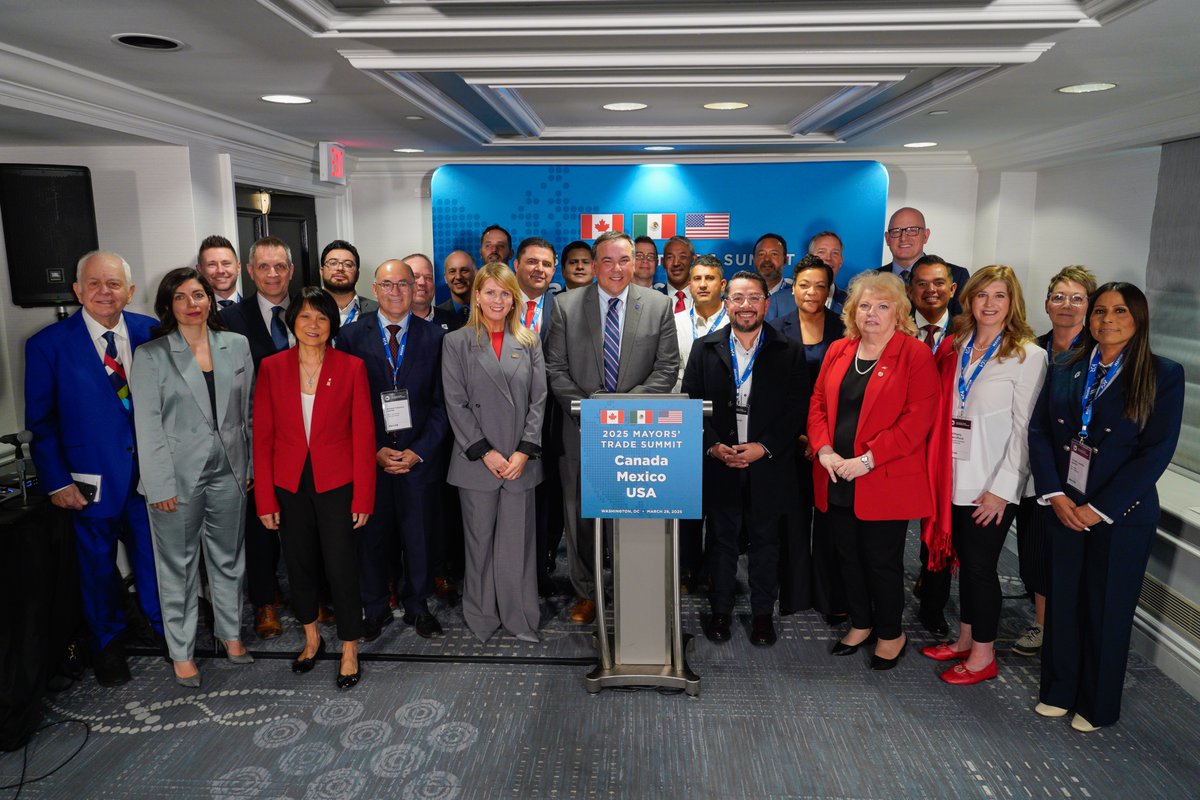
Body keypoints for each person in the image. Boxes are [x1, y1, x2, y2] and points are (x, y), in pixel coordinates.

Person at [1028, 282, 1183, 732]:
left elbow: (1155, 452)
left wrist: (1098, 509)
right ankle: (1058, 691)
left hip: (1121, 514)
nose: (1107, 320)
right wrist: (1055, 494)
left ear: (1138, 318)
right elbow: (1040, 432)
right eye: (1099, 311)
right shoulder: (1066, 365)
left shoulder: (1162, 373)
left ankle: (1095, 705)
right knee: (1063, 603)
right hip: (1063, 505)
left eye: (1119, 311)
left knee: (1106, 608)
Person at [25, 251, 164, 686]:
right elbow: (42, 423)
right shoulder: (47, 345)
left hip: (150, 478)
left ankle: (163, 629)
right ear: (77, 290)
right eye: (94, 283)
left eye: (114, 284)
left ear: (130, 291)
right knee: (97, 568)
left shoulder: (151, 332)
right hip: (88, 482)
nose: (105, 292)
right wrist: (57, 482)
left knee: (156, 560)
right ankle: (107, 643)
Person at [545, 230, 680, 624]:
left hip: (636, 433)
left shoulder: (658, 305)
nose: (616, 269)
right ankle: (587, 593)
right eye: (607, 260)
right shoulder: (566, 305)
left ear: (635, 263)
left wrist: (622, 410)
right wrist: (590, 411)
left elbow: (667, 367)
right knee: (581, 517)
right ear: (594, 265)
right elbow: (555, 369)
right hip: (580, 429)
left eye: (624, 260)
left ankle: (629, 589)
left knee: (631, 515)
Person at [920, 265, 1045, 686]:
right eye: (982, 295)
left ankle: (983, 656)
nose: (989, 304)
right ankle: (965, 639)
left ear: (1013, 303)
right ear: (969, 300)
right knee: (964, 563)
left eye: (999, 296)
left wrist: (1002, 491)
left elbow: (1026, 431)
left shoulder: (1028, 355)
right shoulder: (957, 346)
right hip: (953, 475)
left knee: (980, 567)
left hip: (992, 484)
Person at [129, 268, 255, 687]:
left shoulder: (236, 345)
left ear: (210, 299)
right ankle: (181, 651)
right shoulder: (152, 355)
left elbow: (249, 412)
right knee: (178, 567)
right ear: (168, 305)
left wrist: (250, 465)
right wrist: (159, 485)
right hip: (176, 478)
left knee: (229, 557)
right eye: (180, 297)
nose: (192, 304)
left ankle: (230, 634)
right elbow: (147, 427)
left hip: (231, 469)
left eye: (198, 294)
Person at [807, 271, 937, 671]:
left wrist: (866, 460)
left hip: (882, 477)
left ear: (899, 313)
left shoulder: (914, 354)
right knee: (847, 556)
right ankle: (861, 623)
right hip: (836, 473)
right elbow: (818, 403)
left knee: (881, 561)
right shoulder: (839, 349)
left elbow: (917, 421)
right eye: (864, 305)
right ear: (852, 311)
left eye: (883, 306)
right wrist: (824, 449)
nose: (872, 313)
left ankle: (890, 632)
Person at [254, 287, 376, 689]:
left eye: (322, 317)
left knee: (341, 566)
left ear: (332, 324)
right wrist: (265, 498)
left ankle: (349, 646)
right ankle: (311, 638)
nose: (313, 325)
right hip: (289, 483)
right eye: (305, 316)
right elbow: (263, 438)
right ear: (292, 321)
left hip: (338, 483)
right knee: (299, 563)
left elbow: (363, 436)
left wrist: (364, 495)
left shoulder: (352, 367)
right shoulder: (272, 367)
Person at [683, 271, 808, 646]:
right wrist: (713, 446)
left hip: (767, 464)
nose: (746, 305)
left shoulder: (789, 350)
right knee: (721, 541)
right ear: (726, 304)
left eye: (754, 298)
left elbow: (795, 410)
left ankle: (762, 616)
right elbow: (691, 404)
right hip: (720, 462)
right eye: (737, 298)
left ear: (766, 304)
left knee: (766, 543)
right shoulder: (704, 348)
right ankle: (720, 611)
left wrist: (763, 447)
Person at [337, 259, 448, 641]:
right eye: (387, 284)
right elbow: (346, 405)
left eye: (403, 284)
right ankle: (375, 608)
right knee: (371, 538)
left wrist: (419, 451)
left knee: (419, 537)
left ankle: (418, 605)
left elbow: (443, 404)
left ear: (414, 288)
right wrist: (374, 450)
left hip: (419, 458)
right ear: (374, 289)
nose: (396, 291)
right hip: (373, 459)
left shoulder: (437, 337)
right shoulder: (351, 336)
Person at [441, 263, 548, 642]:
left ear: (514, 299)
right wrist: (485, 452)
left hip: (520, 463)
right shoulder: (456, 342)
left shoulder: (530, 341)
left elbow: (539, 401)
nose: (497, 300)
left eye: (505, 293)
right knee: (479, 543)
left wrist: (522, 453)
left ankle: (520, 616)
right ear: (477, 297)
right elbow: (455, 403)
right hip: (477, 462)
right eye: (490, 292)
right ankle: (482, 616)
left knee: (518, 546)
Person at [1012, 265, 1097, 659]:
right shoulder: (1032, 348)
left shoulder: (1100, 353)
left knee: (1069, 554)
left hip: (1080, 473)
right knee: (1035, 550)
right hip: (1032, 466)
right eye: (1059, 297)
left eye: (1077, 298)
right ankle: (1043, 622)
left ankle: (1062, 626)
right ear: (1046, 304)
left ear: (1089, 306)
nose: (1067, 305)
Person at [220, 235, 298, 639]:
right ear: (250, 271)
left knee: (305, 522)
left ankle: (309, 594)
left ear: (291, 270)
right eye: (264, 267)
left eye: (280, 266)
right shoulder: (231, 319)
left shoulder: (308, 310)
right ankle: (265, 601)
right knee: (260, 521)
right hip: (256, 438)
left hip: (305, 436)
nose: (272, 274)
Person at [770, 254, 845, 621]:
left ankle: (831, 598)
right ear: (792, 288)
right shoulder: (775, 328)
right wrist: (798, 435)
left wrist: (822, 439)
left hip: (835, 442)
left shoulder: (846, 328)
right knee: (793, 521)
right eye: (804, 285)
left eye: (819, 285)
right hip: (790, 440)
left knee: (832, 524)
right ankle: (795, 594)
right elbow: (769, 392)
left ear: (829, 290)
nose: (812, 292)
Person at [907, 254, 960, 638]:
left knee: (940, 522)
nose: (931, 290)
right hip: (901, 443)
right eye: (922, 283)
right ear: (910, 290)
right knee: (890, 531)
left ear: (952, 289)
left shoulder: (969, 333)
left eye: (939, 283)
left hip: (946, 447)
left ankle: (933, 604)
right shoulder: (893, 326)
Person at [671, 254, 728, 596]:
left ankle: (716, 570)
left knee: (720, 504)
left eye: (710, 278)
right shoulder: (674, 320)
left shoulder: (736, 321)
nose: (703, 284)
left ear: (722, 284)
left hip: (723, 423)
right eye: (697, 279)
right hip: (680, 421)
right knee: (686, 501)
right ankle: (687, 567)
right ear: (689, 284)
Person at [513, 239, 564, 594]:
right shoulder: (498, 303)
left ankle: (543, 562)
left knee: (549, 496)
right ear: (516, 265)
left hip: (553, 419)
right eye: (532, 262)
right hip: (507, 418)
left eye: (546, 264)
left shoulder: (565, 308)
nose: (539, 270)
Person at [879, 207, 970, 314]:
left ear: (926, 236)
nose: (903, 238)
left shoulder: (957, 276)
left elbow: (963, 322)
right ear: (887, 238)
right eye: (896, 231)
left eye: (912, 230)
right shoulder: (871, 279)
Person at [320, 239, 378, 327]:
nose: (340, 268)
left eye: (348, 264)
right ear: (321, 271)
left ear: (357, 274)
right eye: (333, 263)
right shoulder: (304, 308)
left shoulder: (378, 310)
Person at [404, 252, 456, 331]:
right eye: (415, 277)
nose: (422, 282)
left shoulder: (454, 322)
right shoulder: (390, 324)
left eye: (428, 278)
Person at [756, 233, 797, 323]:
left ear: (785, 260)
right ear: (754, 259)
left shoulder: (797, 297)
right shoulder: (743, 296)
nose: (767, 259)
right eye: (761, 254)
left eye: (774, 254)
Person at [807, 231, 848, 313]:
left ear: (841, 261)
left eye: (835, 253)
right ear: (809, 259)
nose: (828, 258)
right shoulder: (784, 300)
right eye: (821, 252)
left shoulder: (851, 302)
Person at [197, 235, 242, 308]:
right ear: (200, 270)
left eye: (226, 264)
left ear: (238, 267)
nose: (220, 271)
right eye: (212, 265)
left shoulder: (256, 309)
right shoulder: (193, 312)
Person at [437, 250, 477, 330]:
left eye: (464, 270)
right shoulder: (437, 316)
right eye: (452, 271)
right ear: (445, 277)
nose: (458, 277)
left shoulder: (487, 310)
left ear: (475, 273)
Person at [656, 235, 694, 312]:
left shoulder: (706, 299)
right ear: (663, 262)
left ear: (693, 260)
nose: (676, 263)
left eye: (682, 257)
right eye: (670, 257)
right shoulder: (653, 299)